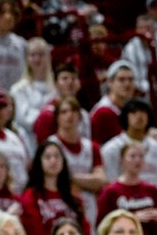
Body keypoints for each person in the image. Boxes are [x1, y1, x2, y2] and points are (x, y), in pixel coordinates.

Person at [47, 97, 106, 229]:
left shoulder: (91, 146)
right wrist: (88, 181)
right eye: (64, 112)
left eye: (74, 111)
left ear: (80, 116)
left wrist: (71, 178)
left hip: (89, 205)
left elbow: (100, 180)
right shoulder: (51, 145)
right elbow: (51, 179)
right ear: (57, 117)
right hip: (61, 203)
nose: (69, 115)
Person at [19, 141, 86, 235]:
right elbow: (33, 230)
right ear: (39, 162)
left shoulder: (74, 197)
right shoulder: (31, 196)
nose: (53, 160)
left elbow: (84, 229)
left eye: (57, 156)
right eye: (47, 157)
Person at [97, 143, 157, 235]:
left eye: (141, 156)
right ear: (121, 160)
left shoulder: (152, 190)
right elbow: (102, 224)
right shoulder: (110, 191)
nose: (138, 160)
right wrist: (133, 218)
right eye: (132, 156)